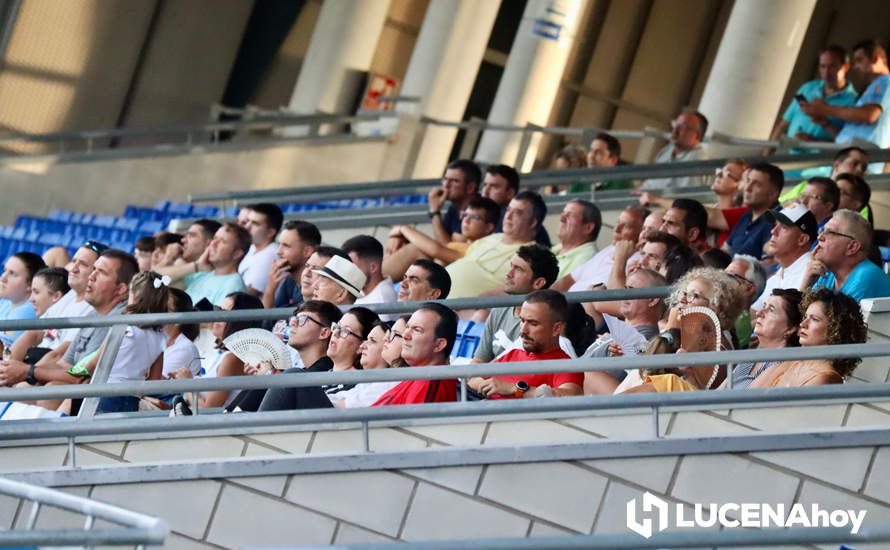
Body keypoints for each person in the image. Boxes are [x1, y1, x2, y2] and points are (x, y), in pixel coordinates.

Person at [0, 249, 136, 411]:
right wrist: (20, 374)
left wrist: (28, 371)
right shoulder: (93, 314)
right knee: (25, 388)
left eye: (101, 273)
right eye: (93, 270)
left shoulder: (117, 319)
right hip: (81, 393)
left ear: (121, 289)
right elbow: (64, 363)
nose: (91, 276)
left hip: (105, 404)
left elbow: (81, 376)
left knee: (51, 389)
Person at [617, 267, 744, 394]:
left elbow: (653, 372)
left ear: (715, 308)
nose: (682, 300)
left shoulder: (717, 348)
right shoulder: (692, 339)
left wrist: (670, 329)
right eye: (683, 293)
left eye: (693, 296)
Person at [258, 306, 380, 411]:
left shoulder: (360, 384)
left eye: (345, 331)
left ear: (361, 346)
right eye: (336, 327)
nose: (336, 333)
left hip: (327, 433)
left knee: (293, 376)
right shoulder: (322, 375)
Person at [468, 289, 582, 399]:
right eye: (522, 321)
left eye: (533, 323)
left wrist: (514, 389)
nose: (523, 330)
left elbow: (569, 397)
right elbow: (472, 380)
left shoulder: (564, 365)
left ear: (556, 328)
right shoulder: (514, 353)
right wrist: (491, 387)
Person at [750, 288, 867, 387]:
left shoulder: (826, 378)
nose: (803, 324)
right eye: (805, 317)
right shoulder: (790, 362)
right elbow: (749, 395)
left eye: (814, 319)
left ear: (835, 329)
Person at [9, 241, 104, 363]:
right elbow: (34, 333)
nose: (74, 269)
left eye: (83, 264)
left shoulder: (93, 307)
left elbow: (61, 354)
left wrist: (28, 372)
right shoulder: (70, 295)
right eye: (74, 261)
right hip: (35, 360)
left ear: (96, 272)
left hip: (46, 368)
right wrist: (8, 364)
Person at [171, 292, 264, 411]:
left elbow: (208, 410)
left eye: (223, 312)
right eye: (218, 309)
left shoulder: (232, 358)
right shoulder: (220, 353)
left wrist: (187, 384)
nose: (216, 315)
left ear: (240, 322)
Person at [95, 271, 172, 413]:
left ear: (135, 296)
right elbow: (154, 381)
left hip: (105, 395)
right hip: (132, 400)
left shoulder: (122, 327)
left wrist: (73, 374)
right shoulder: (161, 337)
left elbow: (95, 363)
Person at [583, 269, 667, 395]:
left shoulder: (647, 340)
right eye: (625, 288)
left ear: (653, 300)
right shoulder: (620, 333)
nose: (624, 294)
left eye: (631, 289)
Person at [446, 191, 544, 298]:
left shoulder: (532, 256)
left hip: (463, 309)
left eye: (517, 212)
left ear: (532, 222)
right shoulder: (490, 238)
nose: (508, 216)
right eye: (508, 210)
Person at [473, 245, 559, 363]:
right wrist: (477, 379)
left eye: (518, 269)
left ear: (538, 283)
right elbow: (478, 361)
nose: (509, 273)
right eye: (511, 266)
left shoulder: (545, 321)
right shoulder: (499, 310)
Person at [383, 196, 499, 280]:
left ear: (489, 227)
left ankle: (372, 280)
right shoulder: (456, 244)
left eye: (474, 217)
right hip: (409, 281)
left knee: (416, 250)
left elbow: (435, 250)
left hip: (433, 290)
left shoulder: (478, 249)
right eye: (465, 215)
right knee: (401, 243)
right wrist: (397, 236)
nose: (466, 221)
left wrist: (403, 228)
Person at [801, 39, 890, 148]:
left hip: (860, 157)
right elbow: (844, 137)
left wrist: (825, 109)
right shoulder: (875, 86)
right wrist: (824, 123)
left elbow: (869, 115)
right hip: (848, 154)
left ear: (875, 58)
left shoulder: (886, 82)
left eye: (859, 60)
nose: (856, 67)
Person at [768, 45, 858, 146]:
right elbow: (783, 125)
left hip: (819, 160)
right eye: (822, 66)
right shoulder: (808, 88)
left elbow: (848, 144)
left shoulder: (854, 101)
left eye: (832, 66)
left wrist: (814, 141)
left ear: (845, 67)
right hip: (787, 156)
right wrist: (767, 152)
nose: (826, 72)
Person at [372, 303, 459, 406]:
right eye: (407, 327)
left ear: (439, 345)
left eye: (417, 330)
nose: (405, 335)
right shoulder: (419, 376)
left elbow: (410, 422)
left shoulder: (430, 381)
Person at [552, 205, 646, 292]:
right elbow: (568, 280)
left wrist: (620, 258)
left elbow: (617, 297)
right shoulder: (610, 249)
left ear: (642, 233)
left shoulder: (641, 262)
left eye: (626, 226)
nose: (616, 229)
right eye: (618, 222)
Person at [802, 209, 890, 300]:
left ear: (852, 247)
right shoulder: (827, 273)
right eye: (822, 230)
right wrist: (806, 284)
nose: (819, 237)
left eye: (830, 232)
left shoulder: (866, 277)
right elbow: (804, 311)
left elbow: (822, 314)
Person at [728, 288, 802, 389]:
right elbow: (717, 393)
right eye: (764, 306)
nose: (759, 313)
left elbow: (746, 399)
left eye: (771, 310)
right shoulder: (750, 357)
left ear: (791, 328)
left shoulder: (784, 364)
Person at [752, 204, 818, 311]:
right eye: (775, 224)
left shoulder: (811, 272)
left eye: (783, 227)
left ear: (802, 240)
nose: (773, 231)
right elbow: (753, 314)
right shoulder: (778, 275)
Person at [328, 319, 402, 408]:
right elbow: (337, 398)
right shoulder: (367, 383)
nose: (362, 346)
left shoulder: (390, 383)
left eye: (373, 341)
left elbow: (340, 407)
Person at [722, 162, 783, 259]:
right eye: (748, 181)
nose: (747, 188)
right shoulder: (746, 216)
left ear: (773, 194)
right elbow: (725, 250)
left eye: (756, 184)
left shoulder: (778, 221)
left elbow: (770, 263)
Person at [482, 164, 551, 247]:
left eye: (494, 187)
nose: (485, 191)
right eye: (485, 185)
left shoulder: (518, 224)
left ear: (510, 193)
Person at [182, 223, 250, 306]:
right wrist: (197, 265)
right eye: (215, 238)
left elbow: (219, 318)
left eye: (222, 241)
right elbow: (165, 280)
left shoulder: (233, 285)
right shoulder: (203, 274)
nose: (213, 243)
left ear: (237, 254)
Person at [641, 108, 710, 190]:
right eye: (675, 124)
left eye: (683, 127)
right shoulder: (666, 150)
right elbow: (649, 183)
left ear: (697, 136)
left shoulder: (698, 162)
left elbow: (686, 200)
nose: (675, 130)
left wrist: (654, 199)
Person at [261, 220, 321, 310]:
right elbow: (266, 321)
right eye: (279, 245)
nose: (278, 252)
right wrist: (270, 289)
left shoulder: (317, 286)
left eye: (286, 246)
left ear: (307, 251)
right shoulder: (288, 281)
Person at [0, 252, 46, 350]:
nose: (3, 277)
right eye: (5, 270)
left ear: (30, 285)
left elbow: (4, 350)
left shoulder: (30, 310)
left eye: (12, 273)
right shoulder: (6, 300)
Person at [429, 159, 481, 244]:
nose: (446, 185)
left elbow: (446, 248)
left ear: (470, 188)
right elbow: (441, 241)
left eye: (454, 181)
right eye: (445, 179)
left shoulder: (479, 211)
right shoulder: (454, 207)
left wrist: (435, 211)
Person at [238, 203, 283, 297]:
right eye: (248, 221)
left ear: (270, 232)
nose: (247, 227)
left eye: (255, 224)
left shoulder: (271, 254)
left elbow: (249, 293)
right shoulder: (252, 248)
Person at [724, 255, 766, 349]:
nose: (721, 279)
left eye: (730, 276)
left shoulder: (737, 321)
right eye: (723, 274)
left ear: (749, 288)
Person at [342, 235, 397, 307]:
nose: (347, 272)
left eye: (353, 267)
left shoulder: (381, 301)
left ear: (373, 267)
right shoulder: (363, 290)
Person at [551, 199, 600, 278]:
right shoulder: (558, 248)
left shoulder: (587, 259)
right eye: (563, 213)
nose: (561, 218)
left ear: (588, 228)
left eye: (569, 215)